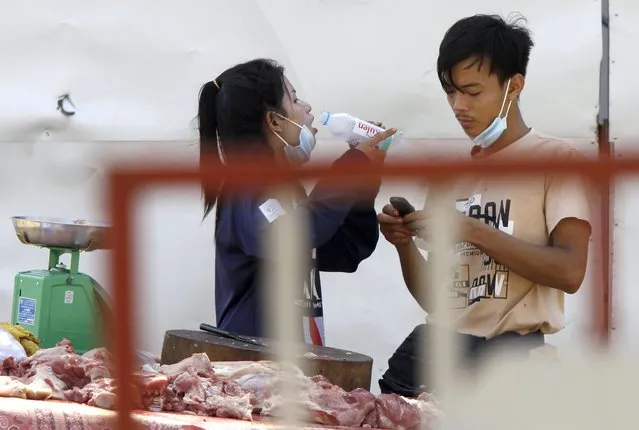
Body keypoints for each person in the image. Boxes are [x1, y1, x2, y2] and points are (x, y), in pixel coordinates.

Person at [377, 14, 593, 396]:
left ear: (514, 86)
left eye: (473, 92)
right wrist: (404, 244)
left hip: (510, 365)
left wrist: (472, 230)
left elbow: (570, 271)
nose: (459, 105)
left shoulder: (557, 160)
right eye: (450, 92)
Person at [198, 58, 396, 346]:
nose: (307, 109)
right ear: (274, 121)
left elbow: (346, 251)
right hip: (252, 366)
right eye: (294, 99)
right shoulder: (245, 189)